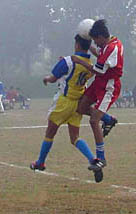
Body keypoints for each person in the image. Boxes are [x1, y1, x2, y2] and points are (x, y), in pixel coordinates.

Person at [30, 34, 106, 182]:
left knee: (50, 133)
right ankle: (93, 160)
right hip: (78, 103)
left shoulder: (68, 61)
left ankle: (40, 162)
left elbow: (52, 78)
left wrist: (46, 79)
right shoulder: (90, 64)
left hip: (64, 102)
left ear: (77, 44)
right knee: (75, 137)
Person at [70, 19, 123, 178]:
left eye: (95, 41)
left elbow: (98, 70)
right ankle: (108, 119)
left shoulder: (112, 48)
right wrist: (90, 47)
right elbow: (101, 54)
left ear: (101, 36)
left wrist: (79, 60)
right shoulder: (109, 43)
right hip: (99, 83)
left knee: (93, 121)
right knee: (81, 107)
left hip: (108, 87)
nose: (95, 44)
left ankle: (101, 158)